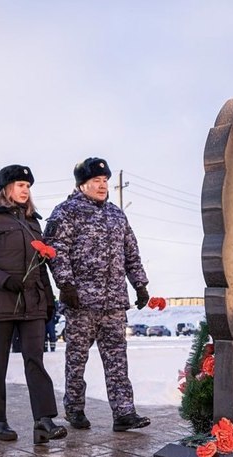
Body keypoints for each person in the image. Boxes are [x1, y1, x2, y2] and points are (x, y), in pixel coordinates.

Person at [44, 157, 151, 432]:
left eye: (105, 181)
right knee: (77, 359)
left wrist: (139, 284)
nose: (103, 186)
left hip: (114, 302)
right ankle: (75, 408)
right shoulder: (66, 212)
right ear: (82, 184)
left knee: (117, 359)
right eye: (96, 181)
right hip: (81, 302)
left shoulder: (117, 214)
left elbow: (131, 252)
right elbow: (56, 251)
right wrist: (66, 286)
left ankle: (124, 412)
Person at [0, 163, 67, 445]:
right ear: (6, 189)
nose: (26, 190)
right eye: (20, 185)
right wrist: (4, 280)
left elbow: (41, 265)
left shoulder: (33, 222)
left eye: (28, 186)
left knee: (36, 358)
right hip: (1, 302)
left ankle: (44, 421)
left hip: (32, 304)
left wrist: (47, 299)